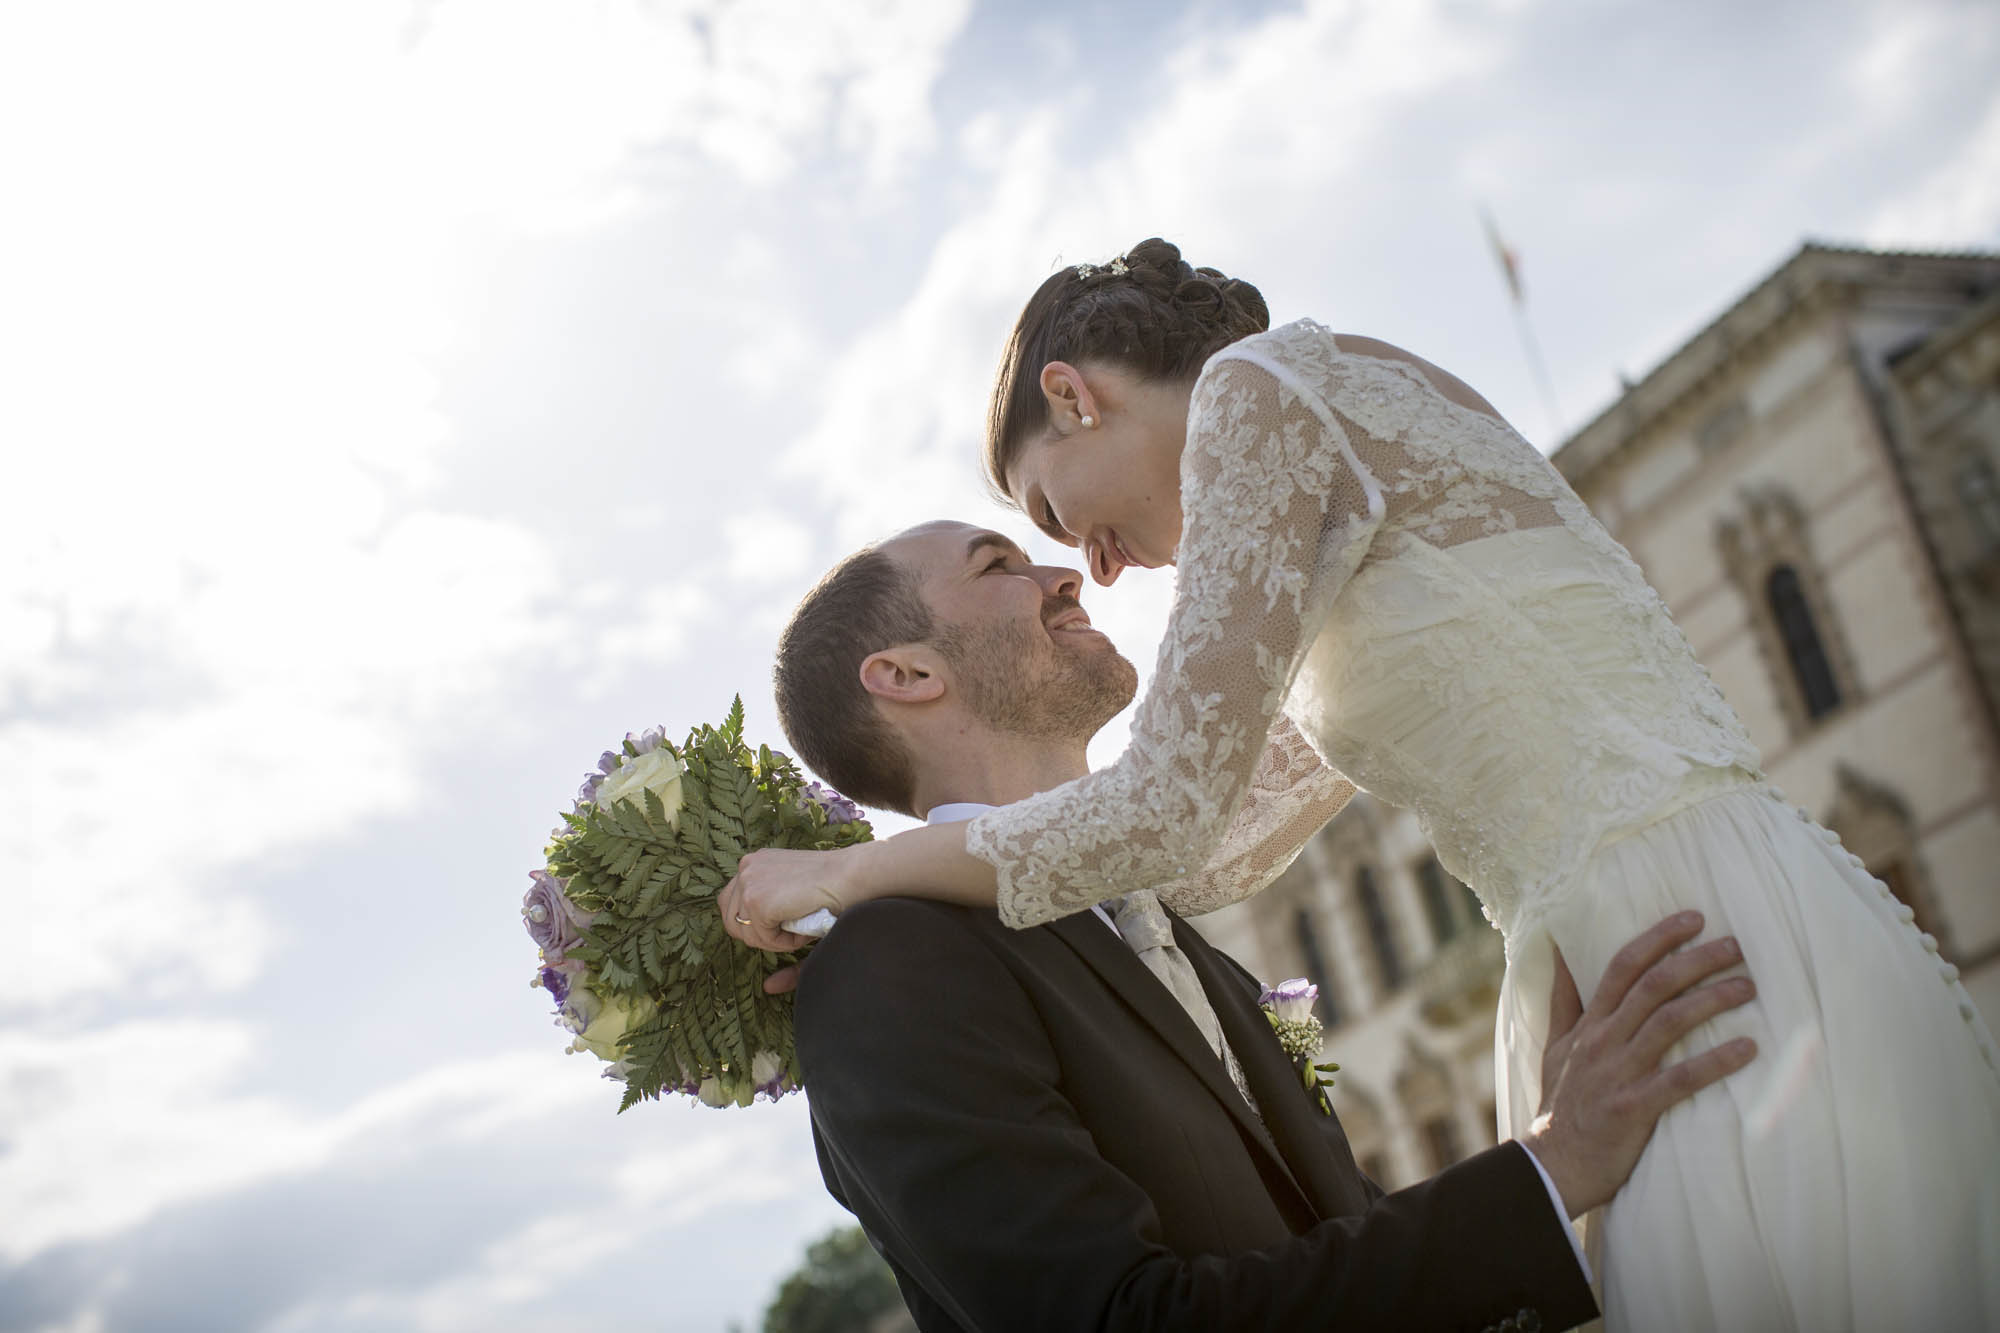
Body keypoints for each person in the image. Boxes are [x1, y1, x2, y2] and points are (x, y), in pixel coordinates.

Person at [726, 242, 2000, 1330]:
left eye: (1060, 516)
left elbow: (1163, 811)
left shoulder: (1258, 395)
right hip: (1661, 922)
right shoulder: (1336, 495)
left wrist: (845, 870)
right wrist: (868, 916)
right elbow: (1199, 856)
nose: (1097, 567)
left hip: (1670, 929)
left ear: (1076, 396)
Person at [772, 519, 1758, 1331]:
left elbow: (1335, 1227)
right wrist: (1545, 1169)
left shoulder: (1193, 949)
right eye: (999, 564)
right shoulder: (886, 969)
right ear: (902, 675)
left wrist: (1561, 1161)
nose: (1062, 572)